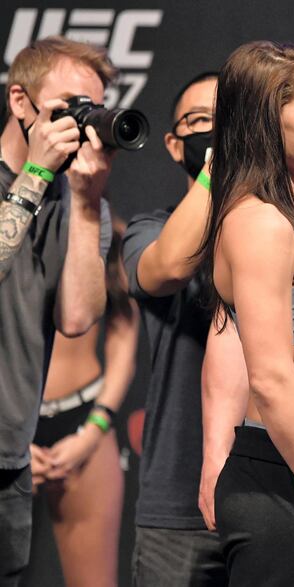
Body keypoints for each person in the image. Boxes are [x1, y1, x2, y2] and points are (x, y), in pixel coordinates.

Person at [196, 41, 294, 586]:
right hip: (290, 485)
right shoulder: (260, 224)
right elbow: (267, 375)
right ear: (269, 119)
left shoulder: (286, 215)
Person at [0, 36, 114, 584]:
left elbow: (76, 319)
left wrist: (88, 206)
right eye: (67, 107)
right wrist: (35, 176)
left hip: (10, 460)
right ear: (20, 102)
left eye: (88, 111)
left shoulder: (83, 203)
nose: (78, 125)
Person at [122, 71, 229, 586]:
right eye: (201, 121)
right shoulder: (148, 229)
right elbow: (167, 269)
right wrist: (217, 170)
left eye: (229, 118)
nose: (217, 131)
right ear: (172, 142)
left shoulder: (287, 224)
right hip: (176, 498)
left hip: (273, 492)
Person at [29, 216, 139, 587]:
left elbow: (123, 338)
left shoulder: (111, 234)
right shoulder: (9, 225)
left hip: (84, 424)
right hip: (10, 429)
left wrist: (94, 429)